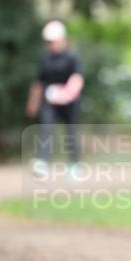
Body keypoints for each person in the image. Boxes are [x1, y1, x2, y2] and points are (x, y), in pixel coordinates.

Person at [26, 20, 84, 178]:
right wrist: (33, 102)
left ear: (61, 39)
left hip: (69, 103)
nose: (50, 44)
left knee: (71, 133)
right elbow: (39, 81)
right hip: (50, 103)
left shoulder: (72, 56)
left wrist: (65, 94)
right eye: (48, 42)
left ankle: (75, 166)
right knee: (46, 129)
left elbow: (77, 79)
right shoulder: (45, 58)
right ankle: (42, 164)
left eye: (52, 41)